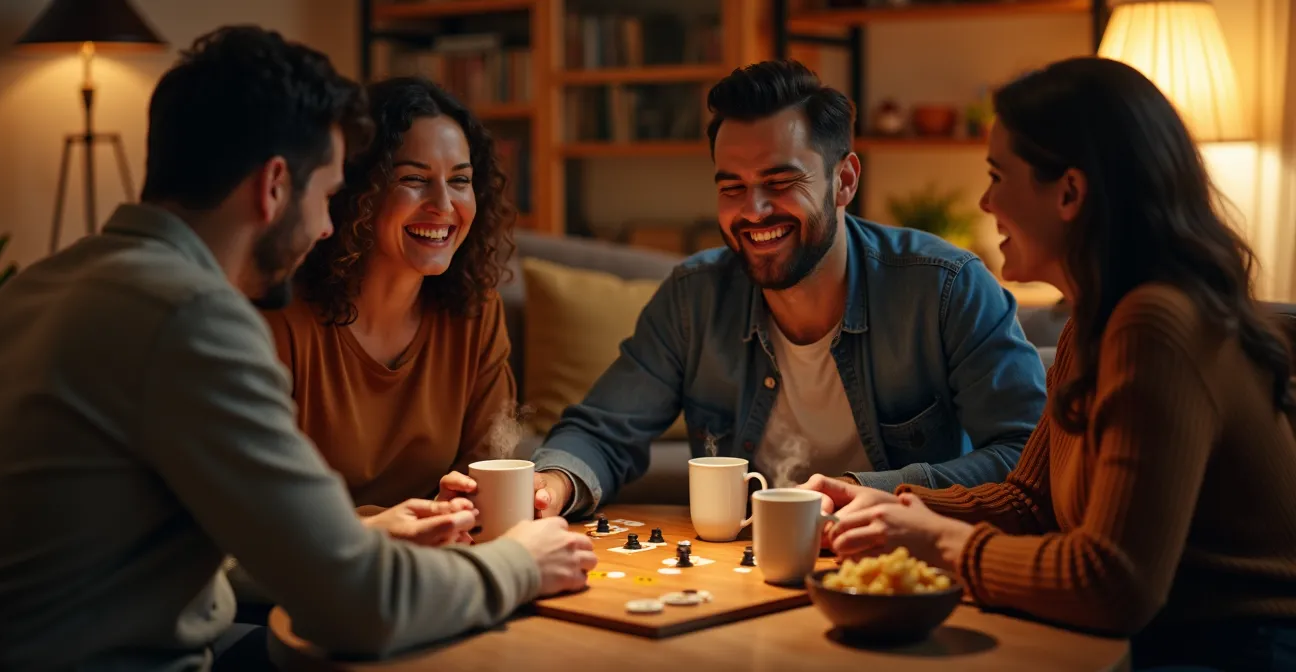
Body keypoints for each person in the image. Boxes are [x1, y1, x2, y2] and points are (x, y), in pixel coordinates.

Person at [0, 26, 595, 671]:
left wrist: (351, 542)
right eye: (330, 195)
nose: (332, 226)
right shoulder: (193, 319)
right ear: (275, 186)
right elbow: (357, 602)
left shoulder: (31, 290)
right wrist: (521, 563)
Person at [802, 56, 1296, 671]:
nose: (985, 201)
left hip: (1237, 647)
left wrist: (941, 542)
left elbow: (1113, 583)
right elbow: (1033, 503)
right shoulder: (1096, 321)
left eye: (997, 175)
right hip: (1166, 636)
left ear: (1069, 192)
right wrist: (891, 507)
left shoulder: (1155, 326)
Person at [530, 59, 1048, 519]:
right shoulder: (694, 298)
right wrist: (550, 485)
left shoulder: (946, 288)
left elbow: (1023, 453)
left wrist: (875, 493)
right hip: (748, 574)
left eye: (780, 183)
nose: (753, 212)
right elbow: (602, 430)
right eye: (732, 187)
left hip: (902, 571)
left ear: (844, 181)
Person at [263, 76, 518, 512]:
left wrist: (458, 513)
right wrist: (384, 531)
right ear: (359, 191)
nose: (443, 204)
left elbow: (491, 466)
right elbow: (260, 506)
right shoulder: (282, 316)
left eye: (460, 180)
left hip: (435, 559)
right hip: (313, 567)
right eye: (414, 178)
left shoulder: (475, 310)